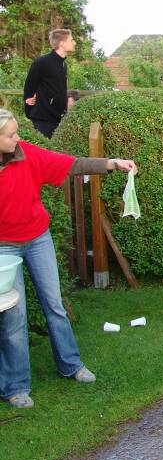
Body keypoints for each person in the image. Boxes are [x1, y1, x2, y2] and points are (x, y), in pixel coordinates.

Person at [0, 109, 137, 409]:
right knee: (13, 317)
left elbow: (71, 164)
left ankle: (71, 365)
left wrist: (111, 163)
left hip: (37, 239)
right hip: (4, 250)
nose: (18, 138)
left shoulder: (27, 154)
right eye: (11, 135)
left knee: (54, 305)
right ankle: (16, 386)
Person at [23, 29, 77, 138]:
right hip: (43, 121)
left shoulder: (63, 65)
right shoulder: (42, 63)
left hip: (58, 120)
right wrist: (30, 111)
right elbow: (29, 88)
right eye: (71, 40)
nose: (74, 42)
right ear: (62, 43)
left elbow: (58, 90)